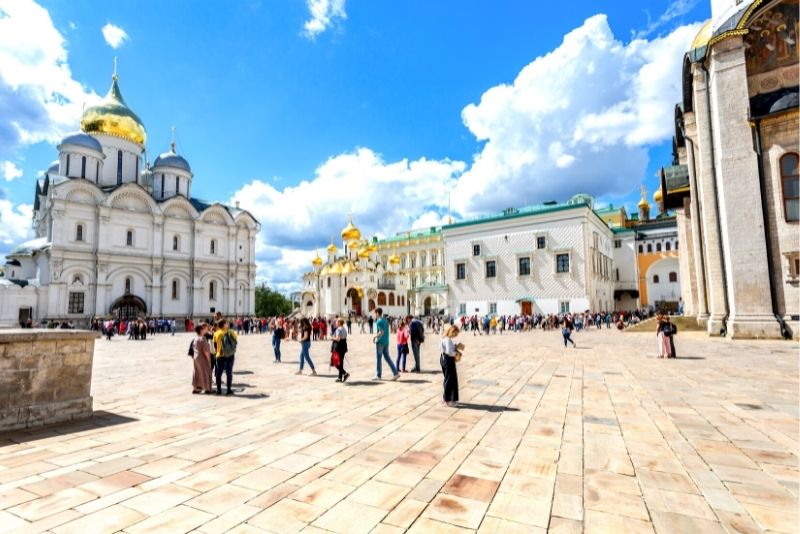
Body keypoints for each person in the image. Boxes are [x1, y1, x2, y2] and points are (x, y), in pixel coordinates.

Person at [372, 308, 400, 381]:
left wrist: (375, 337)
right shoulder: (385, 320)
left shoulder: (379, 321)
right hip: (386, 341)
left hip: (380, 342)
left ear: (378, 313)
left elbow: (381, 332)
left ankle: (378, 375)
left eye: (375, 313)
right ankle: (395, 372)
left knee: (379, 359)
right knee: (387, 358)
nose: (375, 314)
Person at [213, 319, 238, 395]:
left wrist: (218, 351)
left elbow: (215, 345)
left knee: (218, 373)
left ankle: (219, 390)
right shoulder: (231, 332)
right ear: (224, 324)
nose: (227, 324)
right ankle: (229, 390)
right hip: (229, 355)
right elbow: (235, 342)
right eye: (226, 323)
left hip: (219, 355)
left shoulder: (216, 333)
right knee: (229, 372)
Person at [440, 325, 461, 406]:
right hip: (448, 360)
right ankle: (448, 401)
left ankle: (445, 398)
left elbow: (443, 348)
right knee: (450, 380)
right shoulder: (448, 339)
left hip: (443, 359)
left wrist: (454, 345)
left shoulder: (443, 338)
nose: (456, 335)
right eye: (455, 334)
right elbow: (449, 352)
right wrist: (456, 353)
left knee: (447, 379)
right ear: (452, 332)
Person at [191, 323, 213, 394]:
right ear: (201, 330)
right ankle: (207, 388)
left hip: (196, 358)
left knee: (197, 372)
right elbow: (206, 351)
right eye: (203, 329)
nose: (205, 330)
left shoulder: (195, 338)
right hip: (202, 358)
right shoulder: (203, 339)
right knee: (205, 372)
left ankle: (196, 388)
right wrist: (208, 359)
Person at [332, 318, 349, 383]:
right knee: (341, 362)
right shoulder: (344, 329)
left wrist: (332, 337)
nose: (335, 323)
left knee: (335, 362)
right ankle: (340, 377)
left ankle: (344, 373)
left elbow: (338, 339)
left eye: (336, 322)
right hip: (343, 346)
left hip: (338, 347)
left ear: (339, 323)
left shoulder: (338, 329)